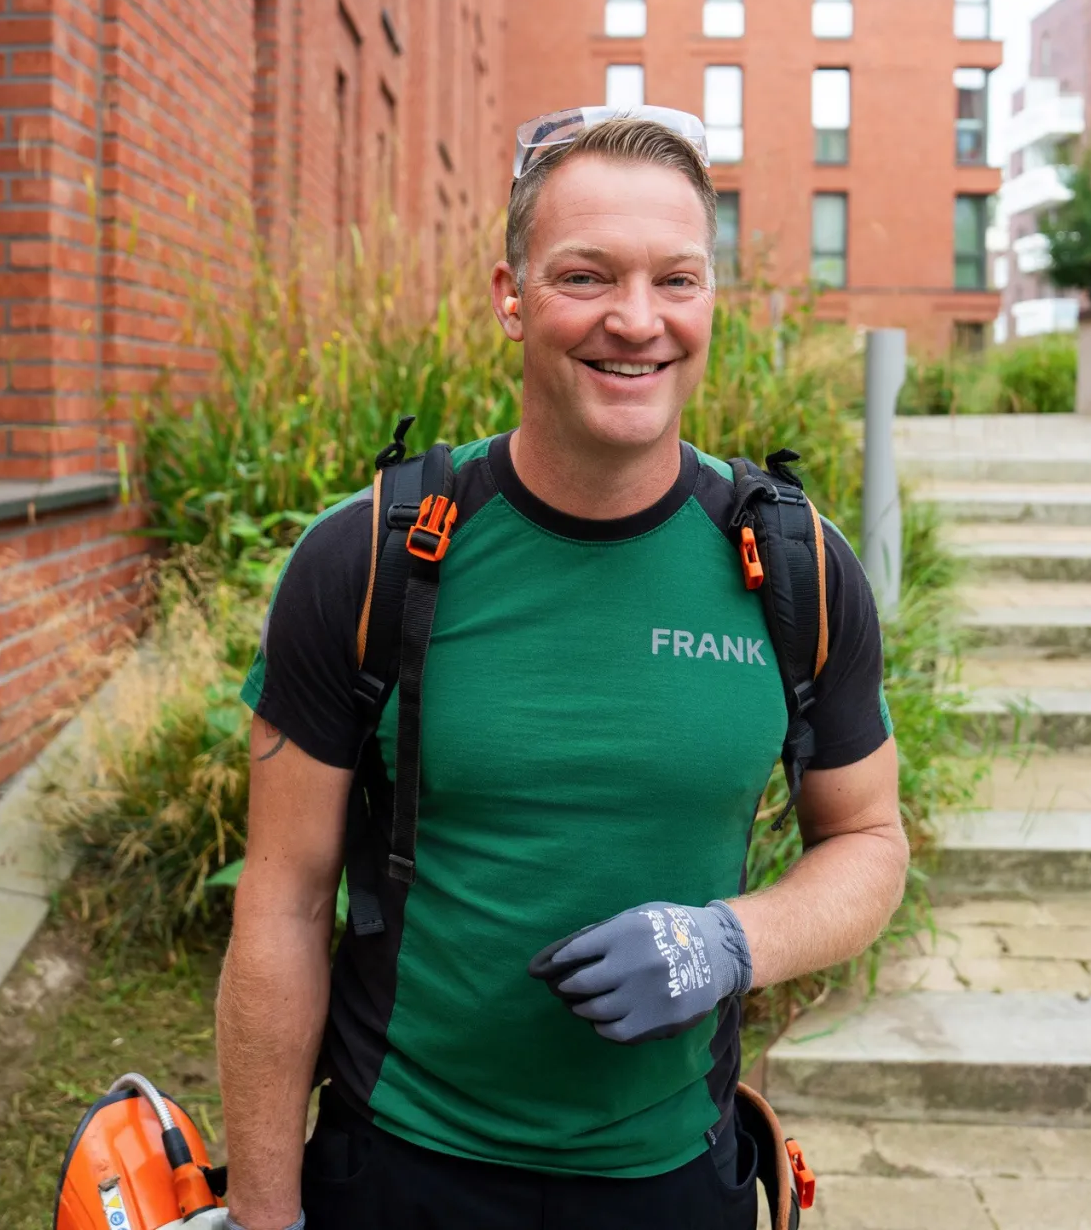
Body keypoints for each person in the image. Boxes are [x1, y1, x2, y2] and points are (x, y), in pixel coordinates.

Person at [216, 110, 908, 1230]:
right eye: (586, 276)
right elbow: (283, 901)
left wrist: (732, 941)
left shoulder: (794, 568)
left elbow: (869, 842)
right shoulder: (370, 558)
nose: (636, 321)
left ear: (710, 299)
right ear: (512, 295)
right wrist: (262, 1214)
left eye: (675, 280)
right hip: (398, 1172)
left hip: (674, 1184)